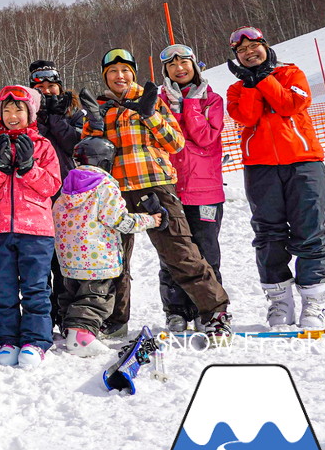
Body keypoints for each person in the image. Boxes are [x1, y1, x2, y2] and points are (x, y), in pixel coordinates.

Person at [83, 48, 231, 339]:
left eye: (125, 70)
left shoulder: (150, 98)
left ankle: (214, 313)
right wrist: (94, 127)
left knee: (180, 253)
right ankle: (114, 319)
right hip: (113, 192)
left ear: (133, 73)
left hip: (153, 186)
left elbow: (176, 143)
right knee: (113, 259)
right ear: (105, 77)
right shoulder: (101, 106)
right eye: (113, 72)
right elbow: (88, 154)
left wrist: (150, 114)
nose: (119, 76)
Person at [225, 26, 325, 330]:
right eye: (241, 51)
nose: (248, 53)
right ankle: (280, 303)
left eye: (253, 47)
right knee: (269, 235)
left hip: (304, 163)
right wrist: (250, 84)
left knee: (309, 230)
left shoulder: (290, 73)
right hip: (260, 167)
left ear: (266, 46)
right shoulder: (236, 88)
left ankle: (313, 302)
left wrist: (264, 79)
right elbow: (246, 117)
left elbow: (290, 104)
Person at [0, 85, 61, 368]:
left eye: (18, 110)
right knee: (3, 289)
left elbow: (51, 186)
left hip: (36, 230)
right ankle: (8, 339)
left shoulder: (43, 146)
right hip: (0, 229)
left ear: (30, 113)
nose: (13, 115)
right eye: (7, 110)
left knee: (36, 288)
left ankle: (36, 341)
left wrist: (28, 167)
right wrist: (1, 166)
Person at [53, 138, 161, 356]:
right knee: (95, 297)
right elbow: (119, 220)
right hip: (97, 257)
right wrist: (149, 220)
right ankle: (81, 337)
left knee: (72, 294)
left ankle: (70, 329)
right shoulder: (104, 186)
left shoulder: (67, 187)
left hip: (69, 258)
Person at [158, 43, 227, 332]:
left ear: (194, 66)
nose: (179, 68)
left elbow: (205, 138)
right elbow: (165, 138)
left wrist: (189, 105)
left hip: (205, 191)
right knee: (172, 253)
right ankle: (176, 310)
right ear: (166, 71)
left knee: (206, 253)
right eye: (172, 65)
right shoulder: (159, 101)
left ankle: (209, 310)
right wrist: (172, 107)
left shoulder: (212, 100)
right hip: (170, 189)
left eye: (184, 62)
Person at [28, 59, 85, 336]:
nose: (47, 92)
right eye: (41, 88)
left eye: (51, 86)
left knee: (65, 258)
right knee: (42, 257)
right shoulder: (27, 114)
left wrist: (56, 118)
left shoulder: (73, 110)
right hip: (38, 193)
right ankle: (46, 314)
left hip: (67, 191)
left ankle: (68, 313)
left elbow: (76, 144)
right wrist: (40, 118)